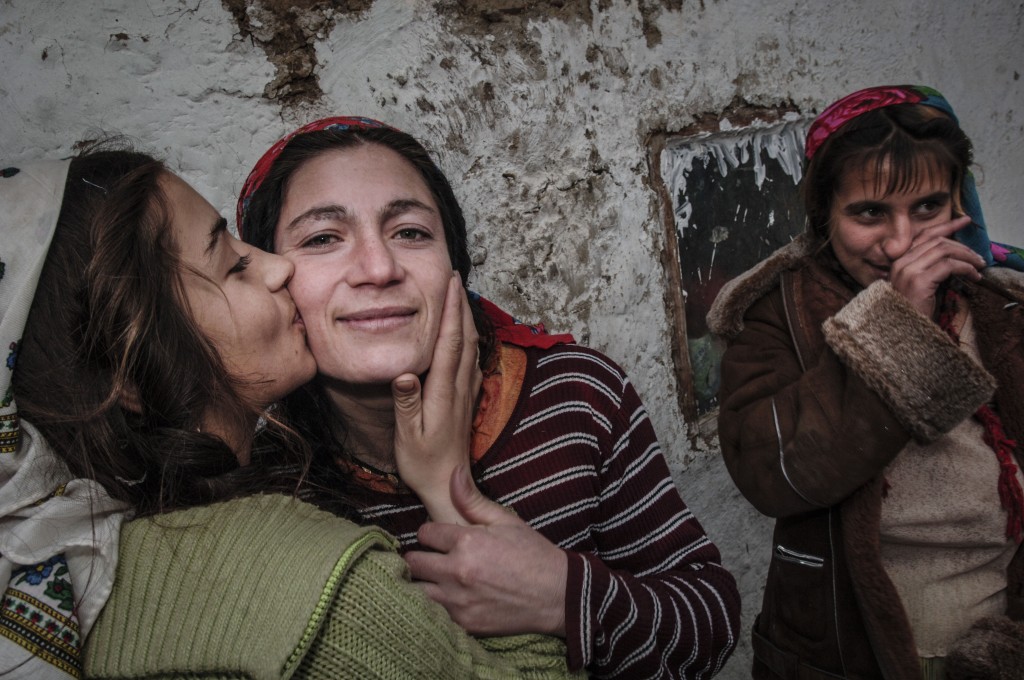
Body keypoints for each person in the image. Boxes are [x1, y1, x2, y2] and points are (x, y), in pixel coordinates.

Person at [0, 146, 585, 679]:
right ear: (129, 368)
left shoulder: (575, 394)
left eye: (410, 231)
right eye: (233, 265)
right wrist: (453, 495)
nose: (278, 269)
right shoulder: (313, 583)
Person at [238, 117, 741, 679]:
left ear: (455, 266)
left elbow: (710, 620)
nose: (378, 269)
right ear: (271, 283)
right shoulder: (266, 485)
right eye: (323, 239)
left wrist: (566, 597)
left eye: (410, 231)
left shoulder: (575, 395)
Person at [707, 84, 1024, 679]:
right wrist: (896, 323)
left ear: (961, 198)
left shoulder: (998, 300)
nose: (902, 243)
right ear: (824, 213)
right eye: (870, 213)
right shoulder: (776, 315)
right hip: (848, 648)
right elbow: (771, 475)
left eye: (929, 206)